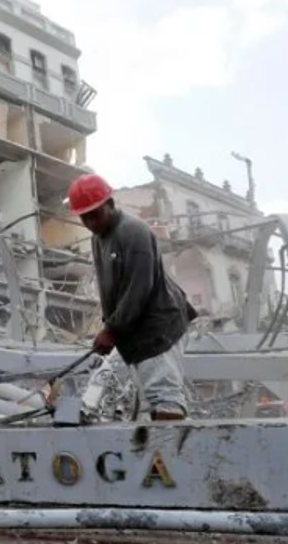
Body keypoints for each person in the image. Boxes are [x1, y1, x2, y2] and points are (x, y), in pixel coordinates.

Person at [69, 173, 195, 420]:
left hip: (157, 327)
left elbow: (140, 287)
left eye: (96, 214)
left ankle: (172, 454)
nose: (91, 222)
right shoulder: (99, 239)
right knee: (130, 396)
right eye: (85, 217)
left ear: (111, 204)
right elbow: (112, 289)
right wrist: (111, 327)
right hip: (134, 328)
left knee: (166, 402)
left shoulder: (133, 231)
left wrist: (112, 330)